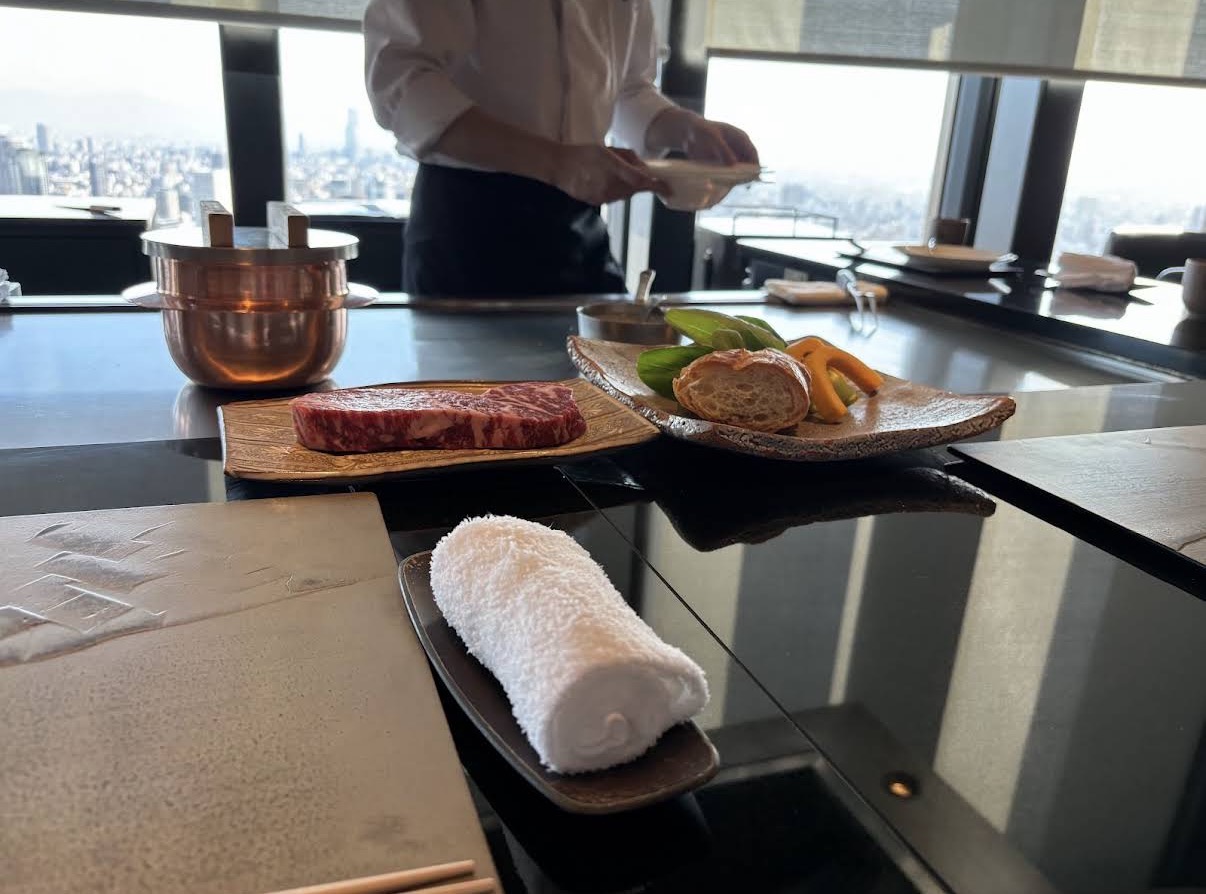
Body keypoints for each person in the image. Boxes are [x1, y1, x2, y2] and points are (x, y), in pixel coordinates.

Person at [364, 0, 759, 296]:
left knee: (601, 394)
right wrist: (556, 163)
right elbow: (401, 84)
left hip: (578, 222)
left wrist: (687, 130)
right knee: (464, 398)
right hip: (469, 222)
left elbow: (629, 89)